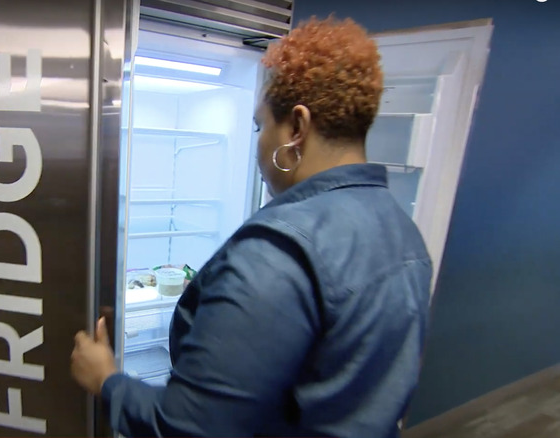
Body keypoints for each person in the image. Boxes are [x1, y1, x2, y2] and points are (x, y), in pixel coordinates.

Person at [71, 16, 432, 438]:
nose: (258, 144)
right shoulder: (403, 232)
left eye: (261, 126)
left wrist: (107, 382)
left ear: (296, 127)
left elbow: (190, 429)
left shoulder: (276, 253)